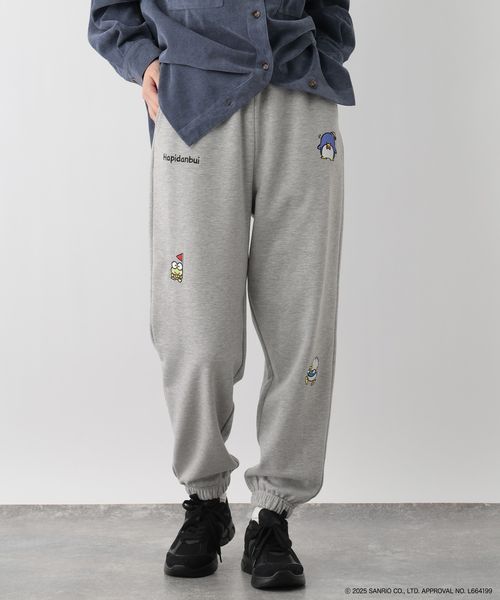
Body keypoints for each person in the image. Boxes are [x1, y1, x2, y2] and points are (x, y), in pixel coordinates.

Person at [88, 0, 355, 590]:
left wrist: (325, 50)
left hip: (299, 98)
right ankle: (205, 501)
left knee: (303, 325)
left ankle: (273, 517)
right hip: (193, 99)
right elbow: (109, 9)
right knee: (194, 331)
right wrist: (143, 60)